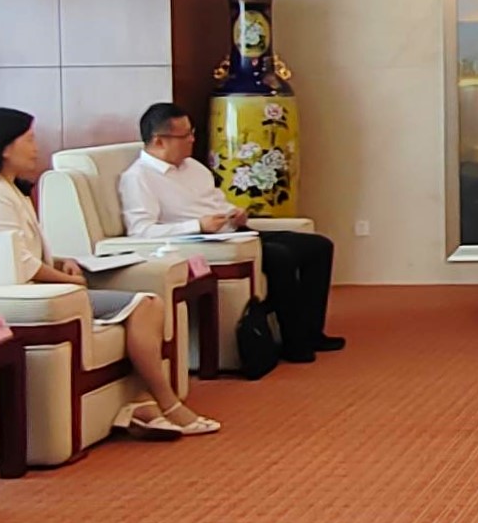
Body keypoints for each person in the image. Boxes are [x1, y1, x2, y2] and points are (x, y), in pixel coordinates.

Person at [0, 106, 220, 436]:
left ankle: (142, 403)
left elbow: (27, 252)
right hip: (27, 295)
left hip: (46, 287)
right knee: (146, 305)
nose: (36, 148)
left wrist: (61, 261)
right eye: (29, 140)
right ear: (4, 147)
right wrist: (69, 280)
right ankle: (167, 403)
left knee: (149, 305)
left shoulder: (12, 191)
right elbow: (21, 264)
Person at [119, 102, 344, 363]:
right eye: (185, 135)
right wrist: (197, 226)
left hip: (234, 233)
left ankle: (312, 333)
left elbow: (216, 201)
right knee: (280, 256)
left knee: (318, 246)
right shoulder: (138, 178)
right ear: (159, 141)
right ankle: (295, 344)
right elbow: (141, 231)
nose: (192, 139)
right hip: (204, 243)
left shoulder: (193, 167)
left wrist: (234, 213)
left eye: (192, 132)